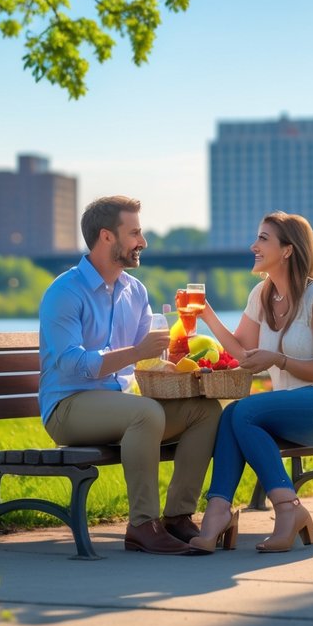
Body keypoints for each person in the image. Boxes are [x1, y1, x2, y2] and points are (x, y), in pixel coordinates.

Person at [38, 196, 222, 556]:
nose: (143, 242)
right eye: (135, 232)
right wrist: (138, 353)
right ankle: (142, 525)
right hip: (68, 407)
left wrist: (186, 366)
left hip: (121, 407)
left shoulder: (135, 292)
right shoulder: (64, 291)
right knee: (145, 413)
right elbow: (72, 364)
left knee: (206, 410)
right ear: (107, 237)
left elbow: (151, 361)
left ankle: (177, 518)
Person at [189, 212, 313, 554]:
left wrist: (278, 359)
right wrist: (207, 315)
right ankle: (218, 513)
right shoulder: (262, 295)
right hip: (286, 409)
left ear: (288, 250)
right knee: (234, 414)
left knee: (242, 412)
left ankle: (287, 509)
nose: (254, 245)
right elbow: (242, 350)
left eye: (263, 239)